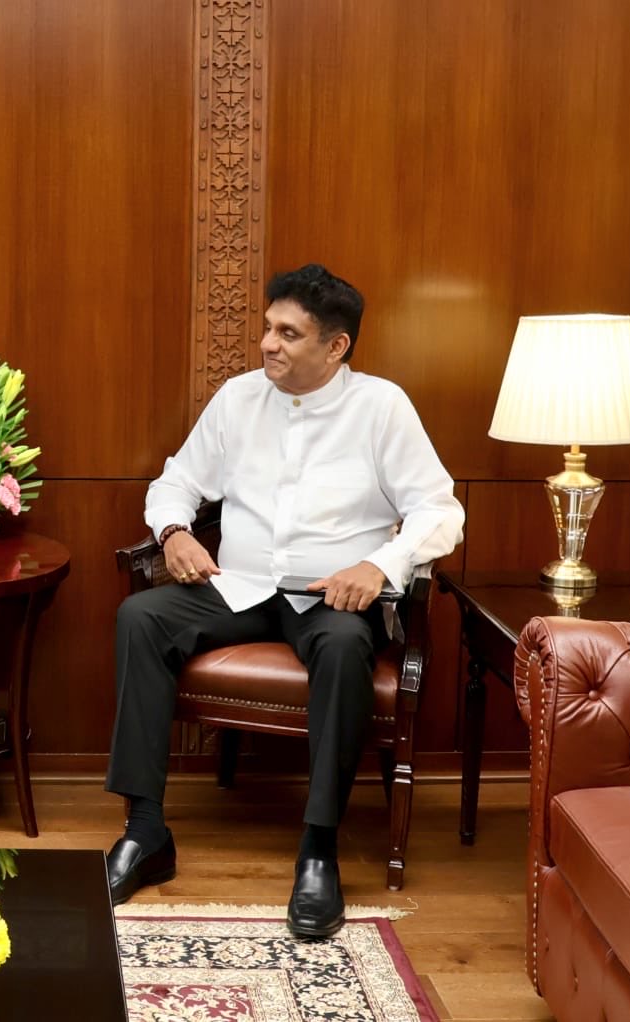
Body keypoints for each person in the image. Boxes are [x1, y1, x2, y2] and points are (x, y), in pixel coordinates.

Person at [104, 264, 464, 938]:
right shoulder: (238, 399)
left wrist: (378, 564)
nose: (268, 343)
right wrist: (175, 532)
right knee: (140, 618)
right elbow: (176, 481)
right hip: (239, 585)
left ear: (336, 346)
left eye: (288, 333)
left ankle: (318, 849)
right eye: (268, 328)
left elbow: (439, 512)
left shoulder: (381, 407)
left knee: (345, 645)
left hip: (330, 596)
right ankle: (145, 830)